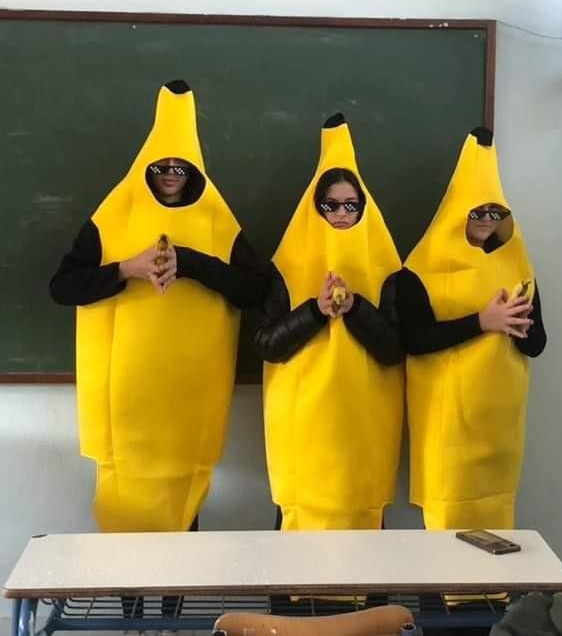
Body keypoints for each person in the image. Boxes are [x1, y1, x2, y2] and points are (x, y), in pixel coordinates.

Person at [50, 80, 267, 538]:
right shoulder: (113, 216)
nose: (170, 174)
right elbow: (63, 286)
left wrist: (189, 262)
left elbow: (255, 289)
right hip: (123, 398)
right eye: (162, 166)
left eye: (180, 167)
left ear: (194, 171)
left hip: (189, 396)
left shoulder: (216, 219)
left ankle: (171, 610)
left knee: (182, 509)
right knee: (123, 512)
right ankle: (129, 610)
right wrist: (127, 268)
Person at [254, 114, 404, 532]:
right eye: (331, 205)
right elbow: (267, 344)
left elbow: (394, 350)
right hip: (302, 427)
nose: (341, 213)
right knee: (299, 551)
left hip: (364, 425)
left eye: (350, 205)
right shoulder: (286, 263)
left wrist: (355, 308)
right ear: (315, 207)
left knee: (361, 550)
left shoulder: (388, 266)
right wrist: (316, 312)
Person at [399, 127, 546, 531]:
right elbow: (415, 340)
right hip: (448, 425)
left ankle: (496, 599)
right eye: (477, 212)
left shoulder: (516, 265)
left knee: (497, 529)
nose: (485, 221)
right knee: (448, 533)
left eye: (494, 213)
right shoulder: (419, 270)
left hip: (501, 423)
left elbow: (537, 344)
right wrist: (483, 322)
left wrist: (518, 326)